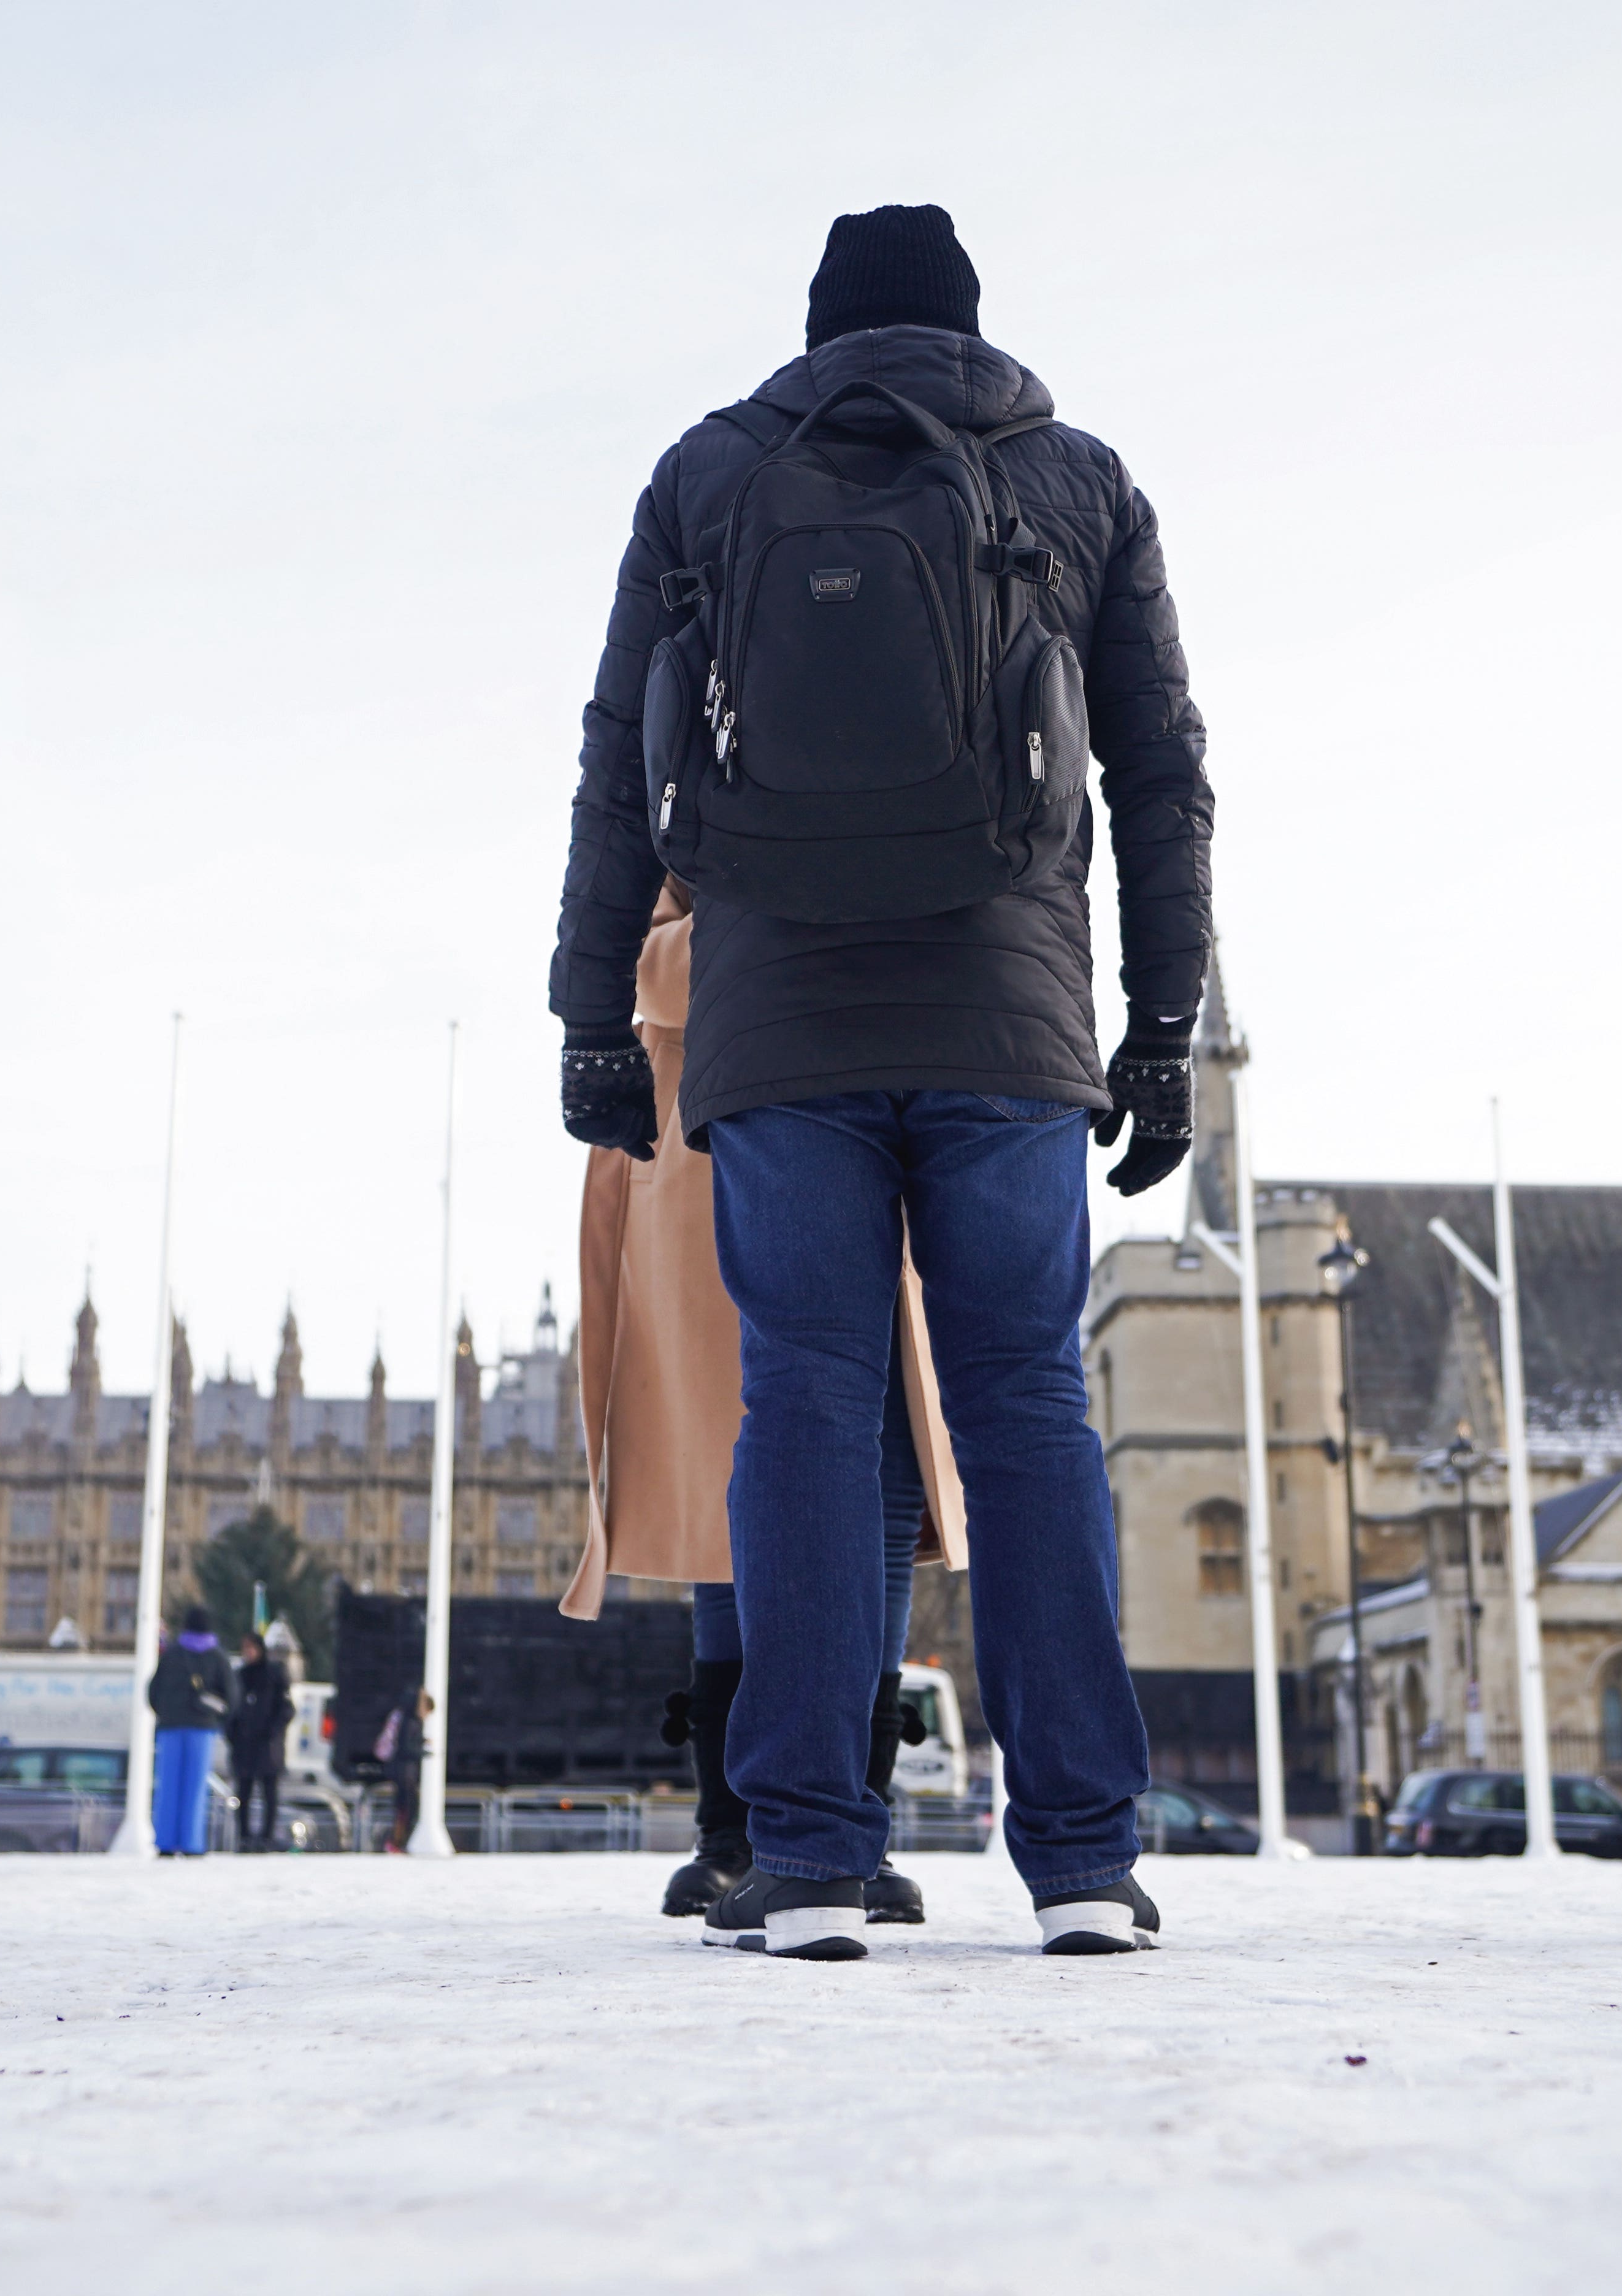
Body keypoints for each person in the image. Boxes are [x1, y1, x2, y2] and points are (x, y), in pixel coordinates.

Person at [548, 204, 1211, 1959]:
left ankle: (816, 1852)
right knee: (1025, 1411)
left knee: (811, 1412)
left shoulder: (707, 478)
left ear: (820, 329)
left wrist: (590, 1020)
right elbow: (1161, 778)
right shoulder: (1078, 481)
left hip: (784, 1026)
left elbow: (621, 765)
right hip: (1008, 1022)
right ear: (973, 330)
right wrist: (1162, 1026)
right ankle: (1081, 1857)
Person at [564, 879, 970, 1925]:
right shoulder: (687, 807)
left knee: (881, 1488)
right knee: (728, 1488)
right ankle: (731, 1831)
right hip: (712, 1171)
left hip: (871, 1155)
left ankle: (854, 1825)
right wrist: (806, 919)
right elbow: (642, 969)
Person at [145, 1605, 232, 1856]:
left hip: (171, 1728)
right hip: (201, 1728)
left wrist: (166, 1713)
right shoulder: (217, 1657)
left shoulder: (172, 1654)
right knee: (195, 1788)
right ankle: (192, 1842)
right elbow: (231, 1696)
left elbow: (153, 1691)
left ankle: (166, 1842)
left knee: (168, 1786)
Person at [224, 1630, 289, 1850]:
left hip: (267, 1746)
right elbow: (230, 1708)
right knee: (243, 1792)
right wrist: (232, 1733)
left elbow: (286, 1708)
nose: (248, 1653)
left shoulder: (274, 1674)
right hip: (244, 1746)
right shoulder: (239, 1676)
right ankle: (244, 1836)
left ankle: (266, 1836)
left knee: (269, 1791)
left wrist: (273, 1730)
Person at [373, 1686, 428, 1853]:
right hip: (405, 1773)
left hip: (401, 1772)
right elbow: (406, 1747)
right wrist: (423, 1751)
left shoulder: (405, 1718)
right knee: (406, 1809)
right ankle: (397, 1843)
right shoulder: (412, 1722)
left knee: (403, 1809)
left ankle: (398, 1843)